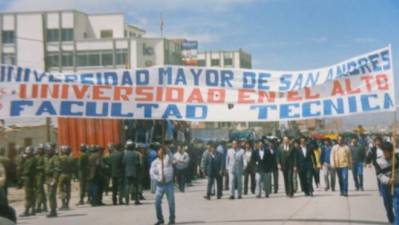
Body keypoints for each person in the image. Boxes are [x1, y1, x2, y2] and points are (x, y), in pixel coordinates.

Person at [150, 145, 176, 225]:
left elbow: (171, 157)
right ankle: (160, 219)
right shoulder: (155, 162)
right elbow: (152, 173)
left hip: (169, 184)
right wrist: (159, 178)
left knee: (171, 202)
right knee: (157, 202)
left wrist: (168, 150)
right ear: (157, 153)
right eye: (159, 151)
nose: (160, 152)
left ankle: (172, 219)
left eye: (162, 151)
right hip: (160, 185)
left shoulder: (167, 159)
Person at [375, 141, 396, 224]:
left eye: (388, 151)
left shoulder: (396, 159)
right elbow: (379, 174)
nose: (386, 153)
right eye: (384, 151)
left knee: (397, 205)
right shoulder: (378, 161)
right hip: (385, 186)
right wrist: (388, 180)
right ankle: (391, 219)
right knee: (388, 205)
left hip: (396, 184)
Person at [122, 140, 142, 205]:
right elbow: (138, 163)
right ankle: (136, 200)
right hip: (134, 172)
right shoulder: (136, 154)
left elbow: (123, 162)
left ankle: (127, 201)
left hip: (127, 171)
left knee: (127, 186)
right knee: (135, 186)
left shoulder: (125, 154)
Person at [20, 146, 37, 217]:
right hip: (30, 178)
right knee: (31, 194)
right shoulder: (31, 159)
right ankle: (33, 209)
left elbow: (27, 169)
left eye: (27, 152)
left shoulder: (31, 159)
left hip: (29, 178)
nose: (26, 153)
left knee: (28, 195)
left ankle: (27, 210)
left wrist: (22, 173)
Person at [44, 143, 60, 218]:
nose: (48, 152)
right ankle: (53, 210)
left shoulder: (55, 158)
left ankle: (53, 211)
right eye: (47, 150)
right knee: (50, 195)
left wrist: (54, 178)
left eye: (49, 150)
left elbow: (57, 169)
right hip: (47, 178)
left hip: (52, 178)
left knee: (51, 194)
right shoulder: (47, 158)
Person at [58, 146, 75, 210]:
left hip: (62, 175)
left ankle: (63, 204)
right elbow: (73, 167)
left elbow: (58, 166)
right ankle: (67, 204)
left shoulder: (60, 158)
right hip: (69, 175)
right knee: (68, 190)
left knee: (61, 190)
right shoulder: (71, 158)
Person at [35, 144, 48, 213]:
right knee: (41, 191)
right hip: (37, 176)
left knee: (39, 191)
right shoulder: (37, 157)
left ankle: (39, 206)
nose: (39, 150)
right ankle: (45, 206)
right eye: (38, 149)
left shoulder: (44, 157)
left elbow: (45, 166)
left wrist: (37, 168)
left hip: (41, 175)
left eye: (40, 149)